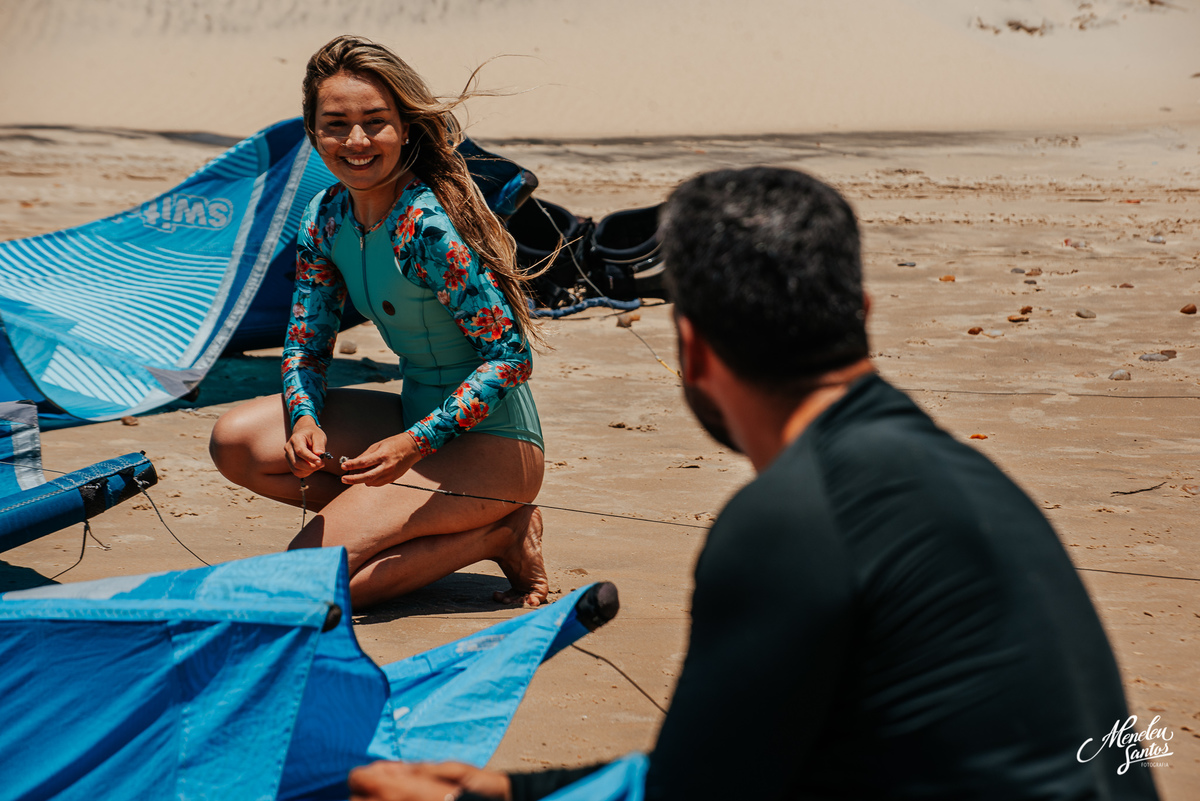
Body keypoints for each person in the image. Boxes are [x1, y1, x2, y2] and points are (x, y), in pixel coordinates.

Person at [344, 167, 1160, 800]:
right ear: (862, 311)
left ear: (692, 348)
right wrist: (501, 788)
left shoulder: (791, 520)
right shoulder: (964, 476)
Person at [209, 35, 548, 610]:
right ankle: (396, 522)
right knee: (237, 442)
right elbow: (305, 347)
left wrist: (414, 445)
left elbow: (512, 357)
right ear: (313, 132)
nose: (357, 141)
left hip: (493, 446)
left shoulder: (428, 229)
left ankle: (500, 531)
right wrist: (304, 420)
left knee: (306, 591)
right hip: (410, 414)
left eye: (376, 121)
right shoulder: (326, 216)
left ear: (406, 128)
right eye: (336, 123)